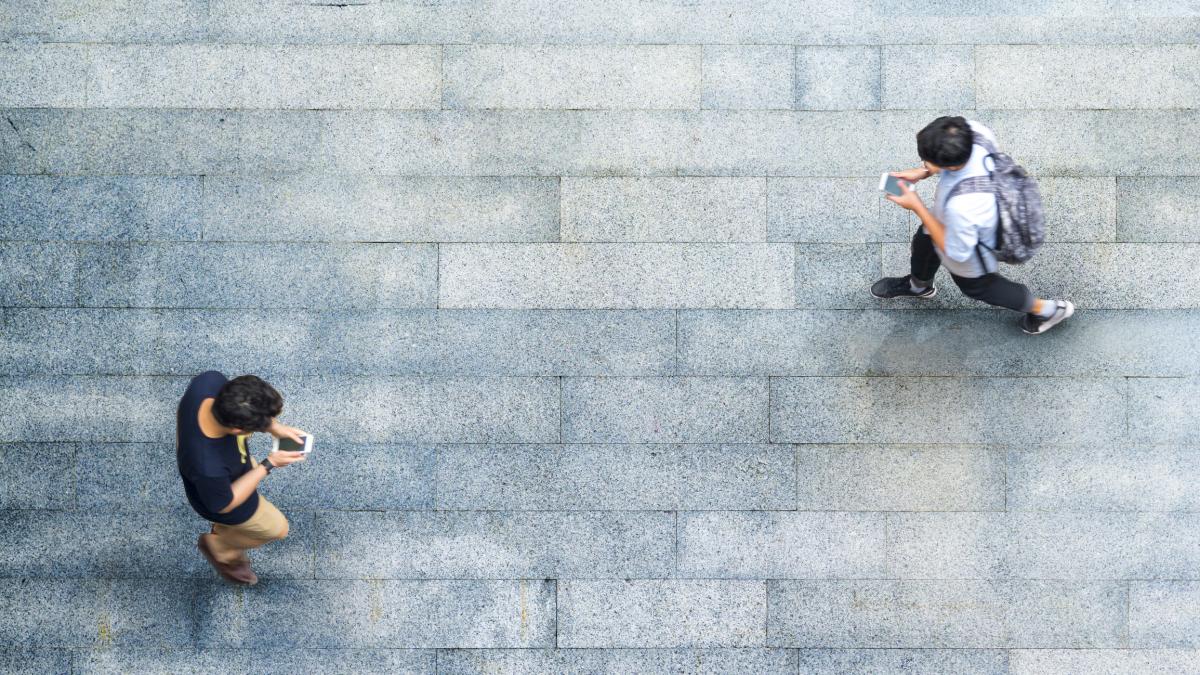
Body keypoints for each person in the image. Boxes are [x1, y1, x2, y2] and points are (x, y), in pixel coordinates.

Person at [871, 116, 1074, 335]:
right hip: (953, 220)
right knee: (924, 244)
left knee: (980, 287)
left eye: (927, 160)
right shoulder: (974, 132)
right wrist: (925, 171)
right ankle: (918, 286)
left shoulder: (965, 206)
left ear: (951, 165)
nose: (924, 163)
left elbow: (956, 251)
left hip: (970, 246)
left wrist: (917, 206)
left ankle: (1048, 310)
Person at [176, 371, 307, 585]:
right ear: (237, 429)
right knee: (278, 529)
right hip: (221, 498)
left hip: (225, 474)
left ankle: (223, 537)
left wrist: (274, 428)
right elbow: (224, 503)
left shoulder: (209, 381)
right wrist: (269, 464)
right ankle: (220, 547)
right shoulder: (208, 465)